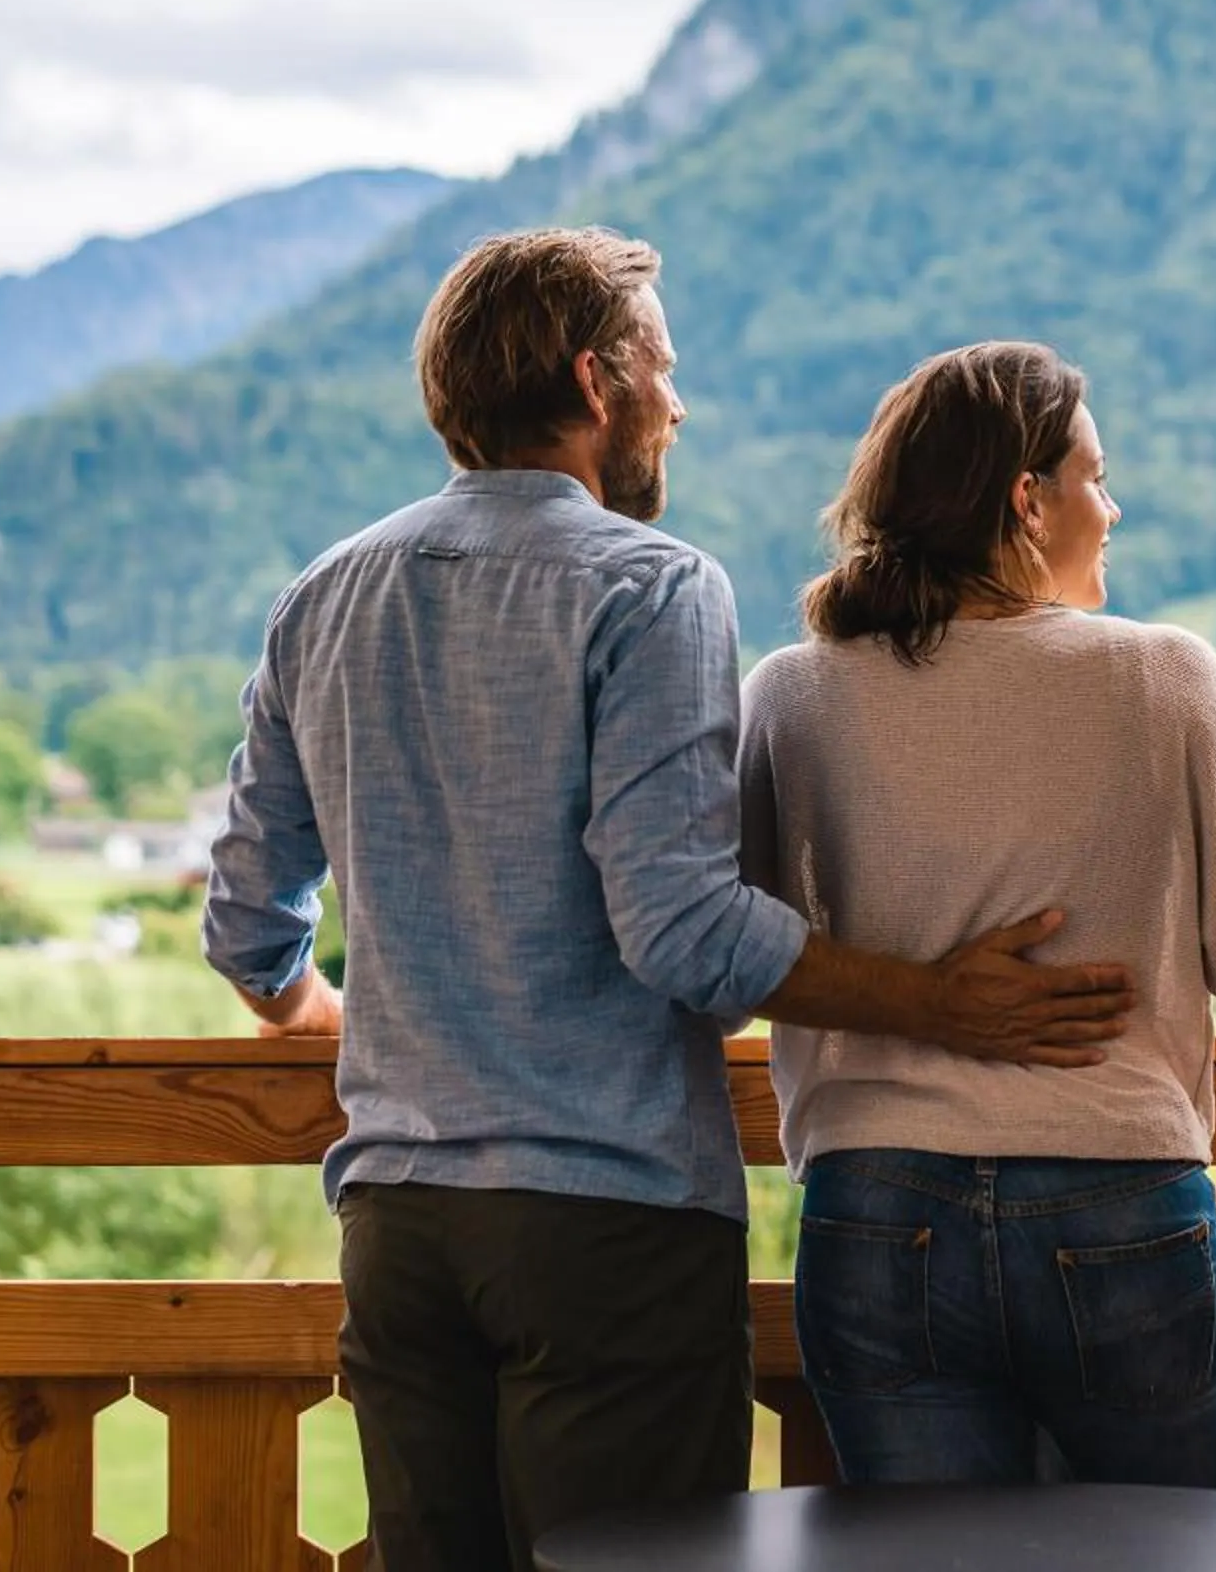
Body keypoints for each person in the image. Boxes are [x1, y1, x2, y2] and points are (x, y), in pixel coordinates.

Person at [202, 232, 1137, 1572]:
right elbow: (684, 930)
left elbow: (247, 925)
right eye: (665, 369)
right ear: (597, 381)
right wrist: (938, 1000)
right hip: (609, 1226)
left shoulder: (324, 597)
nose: (679, 406)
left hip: (398, 1225)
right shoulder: (651, 585)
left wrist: (314, 1007)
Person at [738, 341, 1216, 1491]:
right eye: (1096, 477)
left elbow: (744, 953)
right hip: (1117, 1200)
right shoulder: (1165, 677)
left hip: (875, 1210)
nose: (1111, 510)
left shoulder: (793, 692)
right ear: (1027, 498)